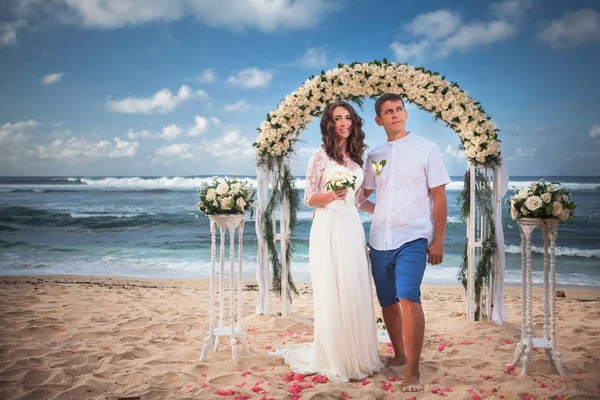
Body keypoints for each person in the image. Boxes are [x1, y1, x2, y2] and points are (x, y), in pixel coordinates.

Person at [272, 101, 383, 381]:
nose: (344, 123)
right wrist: (331, 195)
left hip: (351, 226)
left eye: (348, 117)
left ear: (354, 122)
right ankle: (335, 356)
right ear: (329, 123)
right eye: (338, 118)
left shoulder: (358, 158)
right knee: (333, 287)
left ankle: (356, 354)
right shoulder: (319, 155)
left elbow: (358, 201)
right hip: (328, 225)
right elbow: (309, 197)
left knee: (354, 285)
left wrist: (384, 209)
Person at [359, 93, 450, 392]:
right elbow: (363, 197)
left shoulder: (427, 149)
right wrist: (376, 209)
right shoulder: (374, 156)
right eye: (388, 111)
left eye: (399, 109)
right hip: (379, 240)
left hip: (413, 236)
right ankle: (399, 354)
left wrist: (438, 239)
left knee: (409, 297)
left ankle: (413, 369)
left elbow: (439, 196)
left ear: (406, 114)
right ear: (378, 119)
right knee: (387, 301)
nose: (395, 114)